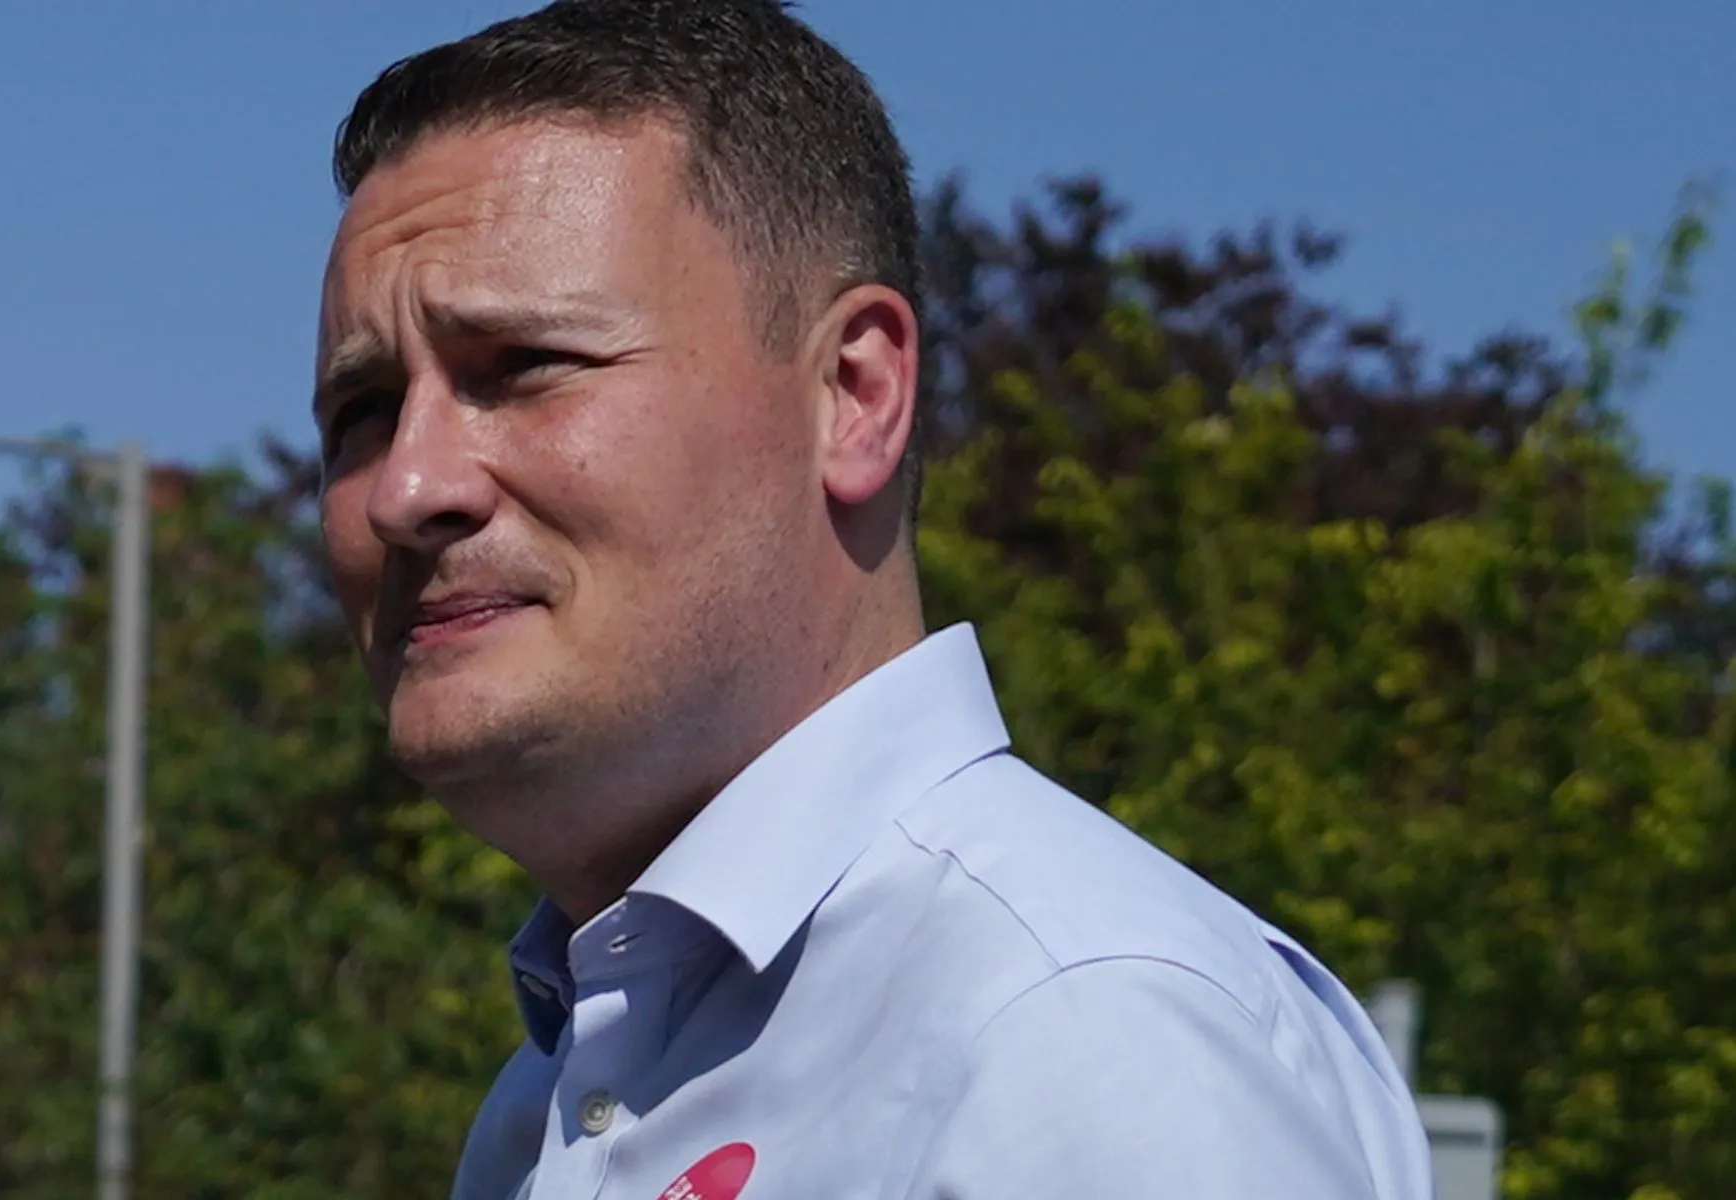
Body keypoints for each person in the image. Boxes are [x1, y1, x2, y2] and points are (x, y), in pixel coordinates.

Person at [312, 1, 1435, 1196]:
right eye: (363, 410)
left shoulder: (1075, 1028)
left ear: (853, 397)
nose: (407, 487)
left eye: (523, 367)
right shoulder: (544, 1111)